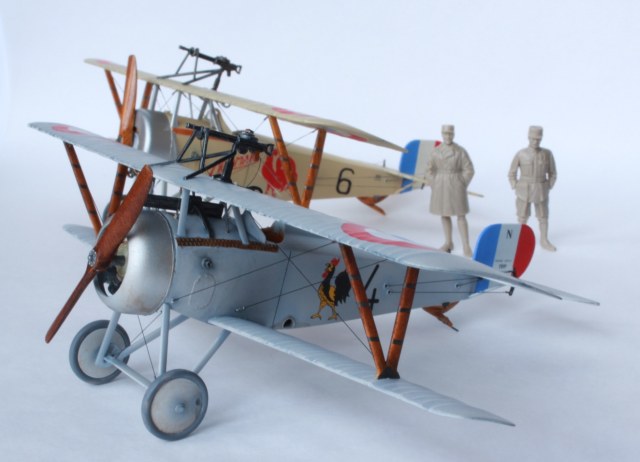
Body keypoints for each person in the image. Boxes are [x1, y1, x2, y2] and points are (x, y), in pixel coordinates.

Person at [427, 125, 475, 257]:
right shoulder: (436, 151)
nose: (448, 136)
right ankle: (448, 242)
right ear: (442, 134)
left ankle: (466, 245)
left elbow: (469, 169)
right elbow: (429, 169)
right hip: (441, 185)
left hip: (456, 183)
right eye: (445, 134)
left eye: (450, 134)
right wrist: (434, 183)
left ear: (453, 135)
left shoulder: (460, 151)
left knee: (461, 215)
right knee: (444, 213)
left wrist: (462, 183)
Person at [508, 126, 557, 251]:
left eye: (538, 139)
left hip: (541, 189)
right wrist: (515, 185)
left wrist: (548, 186)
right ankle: (519, 241)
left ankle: (544, 240)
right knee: (522, 216)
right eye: (533, 139)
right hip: (524, 189)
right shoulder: (521, 154)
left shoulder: (547, 154)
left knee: (543, 216)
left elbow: (553, 173)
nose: (535, 141)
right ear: (528, 137)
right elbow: (512, 173)